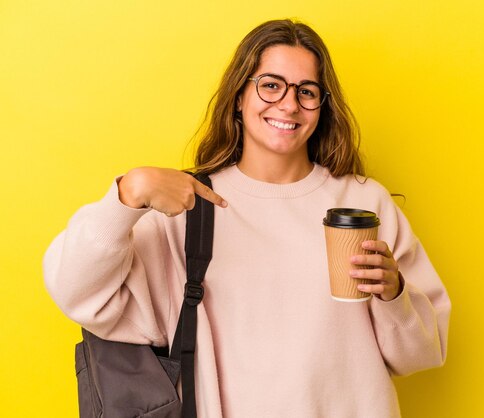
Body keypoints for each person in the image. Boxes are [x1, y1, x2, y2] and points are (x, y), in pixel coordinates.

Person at [44, 19, 451, 418]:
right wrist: (127, 195)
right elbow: (73, 290)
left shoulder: (364, 204)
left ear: (321, 106)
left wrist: (394, 293)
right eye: (271, 85)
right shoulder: (189, 206)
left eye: (306, 91)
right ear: (239, 95)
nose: (289, 104)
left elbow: (423, 354)